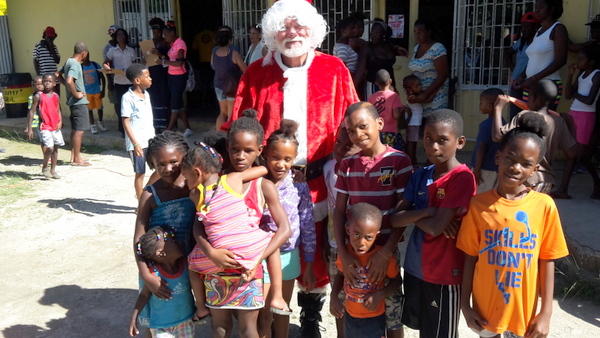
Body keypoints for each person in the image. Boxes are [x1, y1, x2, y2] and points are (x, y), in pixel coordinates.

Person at [230, 2, 359, 334]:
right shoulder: (256, 73)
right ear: (273, 32)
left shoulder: (334, 70)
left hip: (323, 178)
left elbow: (354, 123)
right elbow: (239, 129)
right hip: (272, 182)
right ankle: (271, 312)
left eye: (300, 26)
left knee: (319, 250)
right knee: (278, 247)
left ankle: (311, 316)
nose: (292, 33)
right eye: (285, 27)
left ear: (313, 31)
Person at [457, 113, 569, 338]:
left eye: (526, 164)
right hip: (485, 312)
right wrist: (465, 306)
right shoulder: (478, 204)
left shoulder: (544, 206)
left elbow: (547, 261)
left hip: (523, 316)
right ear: (498, 157)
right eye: (511, 158)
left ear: (535, 169)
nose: (516, 167)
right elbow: (470, 257)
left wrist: (545, 314)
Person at [189, 112, 292, 338]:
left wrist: (257, 258)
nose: (241, 156)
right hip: (216, 268)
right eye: (235, 149)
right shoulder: (215, 182)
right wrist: (210, 252)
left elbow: (283, 229)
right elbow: (199, 222)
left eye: (248, 150)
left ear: (260, 150)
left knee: (255, 325)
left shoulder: (263, 186)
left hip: (250, 269)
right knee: (221, 327)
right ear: (227, 149)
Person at [391, 109, 476, 338]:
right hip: (415, 268)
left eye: (442, 140)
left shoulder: (462, 178)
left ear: (459, 142)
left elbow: (437, 227)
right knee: (426, 331)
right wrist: (428, 211)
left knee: (442, 333)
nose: (433, 146)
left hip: (444, 274)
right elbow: (395, 218)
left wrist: (416, 215)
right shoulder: (420, 175)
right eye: (428, 138)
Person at [334, 102, 413, 338]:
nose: (357, 135)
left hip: (386, 252)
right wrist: (343, 253)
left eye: (363, 126)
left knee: (392, 315)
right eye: (350, 131)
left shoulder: (399, 161)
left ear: (379, 124)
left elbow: (402, 211)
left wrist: (386, 252)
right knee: (353, 306)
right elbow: (338, 211)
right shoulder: (347, 165)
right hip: (354, 252)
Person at [133, 131, 196, 333]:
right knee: (157, 313)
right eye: (160, 164)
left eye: (174, 162)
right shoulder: (150, 194)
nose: (167, 168)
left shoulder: (193, 186)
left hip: (188, 261)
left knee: (184, 305)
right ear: (152, 164)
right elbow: (138, 238)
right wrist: (145, 273)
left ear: (184, 158)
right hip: (157, 265)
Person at [259, 120, 316, 338]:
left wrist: (309, 263)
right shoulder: (256, 182)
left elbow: (307, 224)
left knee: (281, 309)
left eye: (287, 159)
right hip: (262, 256)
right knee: (263, 313)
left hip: (288, 257)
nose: (281, 164)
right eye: (275, 157)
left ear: (294, 158)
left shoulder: (299, 184)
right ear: (265, 153)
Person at [492, 80, 576, 196]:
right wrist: (571, 127)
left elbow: (497, 136)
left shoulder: (524, 116)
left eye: (529, 95)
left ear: (534, 98)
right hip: (546, 182)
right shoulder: (559, 122)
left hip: (525, 180)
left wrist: (498, 109)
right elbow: (571, 153)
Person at [330, 203, 402, 338]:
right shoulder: (345, 255)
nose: (361, 242)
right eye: (356, 234)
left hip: (374, 317)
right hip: (350, 315)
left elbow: (397, 281)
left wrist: (380, 294)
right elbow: (340, 275)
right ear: (347, 230)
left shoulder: (383, 258)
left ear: (377, 235)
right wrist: (333, 296)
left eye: (368, 237)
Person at [129, 226, 200, 337]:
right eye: (172, 239)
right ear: (160, 253)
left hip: (185, 321)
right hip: (161, 326)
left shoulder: (187, 266)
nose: (178, 240)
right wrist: (134, 317)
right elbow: (143, 296)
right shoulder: (154, 276)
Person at [323, 124, 359, 338]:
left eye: (349, 147)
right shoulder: (328, 168)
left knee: (360, 295)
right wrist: (325, 242)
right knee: (338, 300)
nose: (341, 149)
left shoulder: (362, 173)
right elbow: (327, 207)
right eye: (338, 143)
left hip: (359, 248)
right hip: (335, 245)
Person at [563, 45, 600, 198]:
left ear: (591, 62)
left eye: (581, 59)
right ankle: (563, 190)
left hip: (586, 115)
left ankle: (597, 183)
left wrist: (574, 93)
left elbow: (589, 100)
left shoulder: (597, 75)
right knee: (573, 153)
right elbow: (567, 95)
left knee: (580, 156)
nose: (578, 61)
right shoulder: (581, 74)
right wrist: (571, 75)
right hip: (574, 113)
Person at [521, 0, 569, 111]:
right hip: (531, 85)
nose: (536, 10)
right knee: (528, 121)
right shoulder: (539, 31)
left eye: (540, 7)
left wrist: (533, 79)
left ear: (551, 9)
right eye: (536, 7)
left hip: (548, 86)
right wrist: (522, 76)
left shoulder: (558, 29)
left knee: (542, 124)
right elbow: (534, 60)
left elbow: (560, 61)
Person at [121, 64, 156, 200]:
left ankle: (143, 192)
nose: (150, 78)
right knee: (140, 173)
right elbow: (126, 122)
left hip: (150, 139)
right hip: (138, 143)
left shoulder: (146, 94)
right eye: (147, 76)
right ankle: (141, 203)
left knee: (159, 168)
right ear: (137, 81)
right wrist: (135, 144)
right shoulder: (127, 98)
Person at [154, 21, 193, 137]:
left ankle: (168, 130)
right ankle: (188, 128)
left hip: (179, 77)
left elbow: (180, 63)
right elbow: (171, 59)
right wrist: (161, 57)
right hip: (172, 76)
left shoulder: (180, 44)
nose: (164, 37)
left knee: (174, 104)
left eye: (166, 35)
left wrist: (163, 61)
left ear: (172, 33)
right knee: (178, 103)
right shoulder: (172, 44)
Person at [57, 42, 91, 166]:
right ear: (84, 53)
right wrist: (76, 94)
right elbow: (69, 80)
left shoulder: (68, 61)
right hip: (79, 102)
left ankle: (74, 156)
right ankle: (77, 159)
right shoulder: (75, 64)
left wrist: (68, 87)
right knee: (80, 130)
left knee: (75, 129)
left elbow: (57, 74)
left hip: (73, 103)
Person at [408, 18, 450, 116]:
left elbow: (443, 75)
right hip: (420, 97)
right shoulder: (416, 48)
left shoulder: (437, 48)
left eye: (420, 32)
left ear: (429, 32)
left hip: (435, 96)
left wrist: (426, 94)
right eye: (415, 32)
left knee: (434, 126)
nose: (417, 35)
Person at [26, 74, 64, 179]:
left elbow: (58, 109)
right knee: (49, 148)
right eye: (45, 81)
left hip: (55, 126)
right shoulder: (38, 96)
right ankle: (45, 167)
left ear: (54, 84)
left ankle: (53, 170)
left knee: (56, 148)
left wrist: (60, 121)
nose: (47, 83)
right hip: (45, 126)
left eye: (49, 81)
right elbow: (31, 112)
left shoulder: (56, 96)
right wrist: (29, 128)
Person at [505, 12, 540, 120]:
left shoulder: (538, 43)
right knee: (515, 115)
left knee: (527, 115)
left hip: (530, 84)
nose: (523, 30)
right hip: (516, 83)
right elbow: (508, 52)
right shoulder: (521, 42)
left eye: (527, 27)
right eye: (522, 27)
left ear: (535, 28)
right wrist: (512, 67)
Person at [471, 88, 505, 194]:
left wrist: (477, 170)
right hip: (496, 168)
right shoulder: (504, 124)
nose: (479, 105)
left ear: (490, 106)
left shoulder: (486, 125)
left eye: (481, 102)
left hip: (483, 169)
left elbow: (481, 148)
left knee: (479, 195)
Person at [213, 26, 247, 130]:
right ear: (229, 40)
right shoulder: (233, 53)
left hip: (218, 85)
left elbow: (213, 65)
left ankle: (218, 136)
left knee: (222, 113)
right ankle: (227, 138)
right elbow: (245, 69)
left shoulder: (214, 52)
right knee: (230, 115)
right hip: (231, 86)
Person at [104, 28, 136, 136]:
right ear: (116, 38)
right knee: (121, 106)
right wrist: (106, 67)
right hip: (119, 82)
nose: (121, 36)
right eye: (118, 35)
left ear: (126, 37)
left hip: (131, 81)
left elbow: (134, 64)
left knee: (132, 106)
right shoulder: (112, 50)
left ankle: (132, 128)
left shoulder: (131, 50)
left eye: (123, 35)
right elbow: (106, 62)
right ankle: (123, 130)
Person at [368, 69, 410, 152]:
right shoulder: (393, 96)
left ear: (376, 83)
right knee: (390, 154)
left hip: (376, 133)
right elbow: (396, 115)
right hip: (391, 133)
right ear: (390, 81)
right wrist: (402, 109)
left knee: (379, 153)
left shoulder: (371, 97)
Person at [365, 20, 408, 96]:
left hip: (387, 86)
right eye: (372, 32)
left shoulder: (388, 46)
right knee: (373, 107)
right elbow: (361, 69)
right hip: (373, 86)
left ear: (383, 34)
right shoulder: (368, 47)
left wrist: (394, 86)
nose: (373, 35)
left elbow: (389, 69)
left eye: (377, 33)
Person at [147, 17, 170, 132]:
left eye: (158, 32)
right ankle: (156, 125)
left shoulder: (166, 43)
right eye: (154, 32)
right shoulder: (150, 43)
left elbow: (170, 59)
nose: (156, 35)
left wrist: (160, 54)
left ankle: (166, 124)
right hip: (153, 73)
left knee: (164, 97)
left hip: (164, 73)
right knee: (154, 98)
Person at [82, 52, 106, 134]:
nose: (86, 57)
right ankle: (92, 125)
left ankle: (100, 122)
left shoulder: (95, 65)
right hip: (87, 92)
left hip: (97, 91)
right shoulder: (81, 67)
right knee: (89, 110)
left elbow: (102, 78)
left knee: (100, 108)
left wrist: (103, 90)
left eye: (87, 55)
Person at [402, 75, 424, 165]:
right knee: (411, 142)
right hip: (413, 122)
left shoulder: (413, 95)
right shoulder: (412, 98)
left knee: (413, 141)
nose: (420, 87)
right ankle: (410, 160)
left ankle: (412, 158)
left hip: (414, 122)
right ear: (409, 89)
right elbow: (427, 99)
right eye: (417, 86)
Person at [33, 26, 60, 95]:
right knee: (47, 97)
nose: (50, 40)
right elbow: (35, 61)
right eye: (48, 38)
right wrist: (39, 76)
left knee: (56, 97)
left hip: (54, 78)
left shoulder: (54, 47)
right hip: (45, 78)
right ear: (44, 36)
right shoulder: (38, 46)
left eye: (52, 38)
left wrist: (51, 48)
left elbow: (57, 60)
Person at [24, 76, 45, 158]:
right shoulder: (31, 97)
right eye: (37, 84)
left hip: (48, 122)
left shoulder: (48, 95)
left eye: (41, 84)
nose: (39, 86)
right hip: (38, 123)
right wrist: (28, 127)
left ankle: (51, 156)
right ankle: (46, 157)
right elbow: (30, 112)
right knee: (43, 140)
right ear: (33, 85)